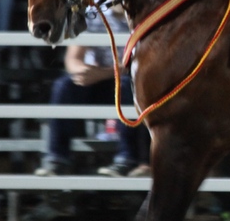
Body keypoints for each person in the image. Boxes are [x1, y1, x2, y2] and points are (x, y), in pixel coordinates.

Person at [35, 11, 150, 178]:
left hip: (127, 81)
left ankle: (127, 159)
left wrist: (99, 73)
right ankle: (57, 159)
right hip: (99, 80)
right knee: (63, 86)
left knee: (127, 86)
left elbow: (138, 63)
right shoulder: (95, 15)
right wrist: (82, 72)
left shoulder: (141, 14)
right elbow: (72, 59)